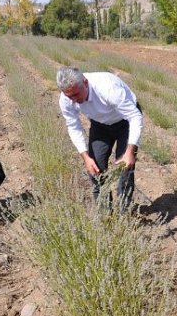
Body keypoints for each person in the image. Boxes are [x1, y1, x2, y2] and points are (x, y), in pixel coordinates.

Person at [56, 66, 143, 209]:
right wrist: (85, 157)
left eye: (76, 95)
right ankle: (105, 216)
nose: (73, 100)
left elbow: (134, 117)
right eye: (68, 96)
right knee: (95, 169)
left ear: (85, 82)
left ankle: (124, 215)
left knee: (124, 169)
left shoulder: (107, 88)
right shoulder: (67, 99)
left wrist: (130, 151)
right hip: (100, 124)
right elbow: (73, 126)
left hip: (125, 121)